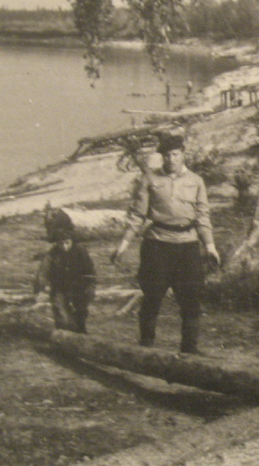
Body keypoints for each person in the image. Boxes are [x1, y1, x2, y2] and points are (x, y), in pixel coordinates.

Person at [111, 133, 220, 354]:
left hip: (188, 246)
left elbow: (202, 216)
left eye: (175, 154)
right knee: (152, 296)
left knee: (191, 298)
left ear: (183, 155)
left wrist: (210, 246)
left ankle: (189, 350)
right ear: (162, 157)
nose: (171, 159)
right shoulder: (149, 180)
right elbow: (137, 216)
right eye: (167, 155)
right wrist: (123, 244)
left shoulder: (196, 181)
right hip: (157, 245)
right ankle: (146, 346)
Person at [34, 209, 96, 333]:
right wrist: (40, 288)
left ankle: (80, 329)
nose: (64, 247)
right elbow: (43, 272)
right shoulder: (53, 254)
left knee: (81, 310)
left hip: (79, 285)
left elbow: (90, 271)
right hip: (60, 286)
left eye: (67, 243)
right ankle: (64, 333)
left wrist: (90, 286)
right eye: (61, 243)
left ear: (72, 240)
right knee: (61, 313)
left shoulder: (80, 251)